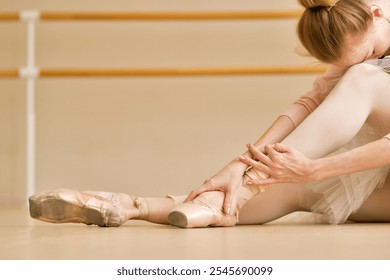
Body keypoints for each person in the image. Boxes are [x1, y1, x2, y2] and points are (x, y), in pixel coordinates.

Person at [29, 0, 390, 228]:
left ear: (378, 13)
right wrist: (237, 164)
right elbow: (310, 103)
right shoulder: (355, 31)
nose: (367, 61)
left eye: (370, 52)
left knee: (361, 80)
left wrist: (313, 168)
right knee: (294, 191)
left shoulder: (363, 71)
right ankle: (131, 206)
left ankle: (239, 192)